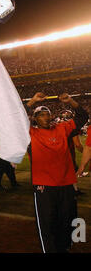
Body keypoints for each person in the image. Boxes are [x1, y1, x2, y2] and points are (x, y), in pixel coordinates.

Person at [25, 92, 89, 253]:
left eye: (48, 114)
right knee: (47, 223)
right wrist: (32, 101)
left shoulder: (62, 128)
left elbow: (82, 116)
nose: (46, 117)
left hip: (66, 184)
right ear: (35, 119)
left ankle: (64, 248)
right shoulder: (30, 133)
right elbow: (15, 120)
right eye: (41, 115)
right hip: (44, 186)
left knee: (67, 220)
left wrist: (71, 101)